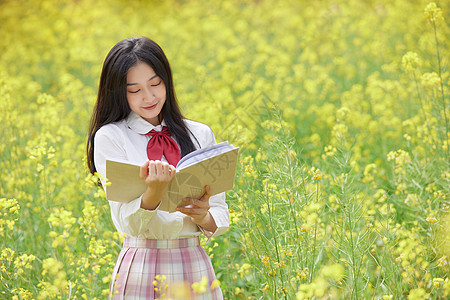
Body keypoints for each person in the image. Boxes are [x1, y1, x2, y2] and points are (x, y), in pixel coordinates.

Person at [86, 36, 229, 299]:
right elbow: (127, 222)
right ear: (118, 92)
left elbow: (219, 211)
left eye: (155, 84)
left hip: (194, 261)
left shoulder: (200, 133)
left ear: (167, 81)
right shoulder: (110, 137)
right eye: (135, 90)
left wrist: (202, 216)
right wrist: (154, 192)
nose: (149, 97)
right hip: (142, 261)